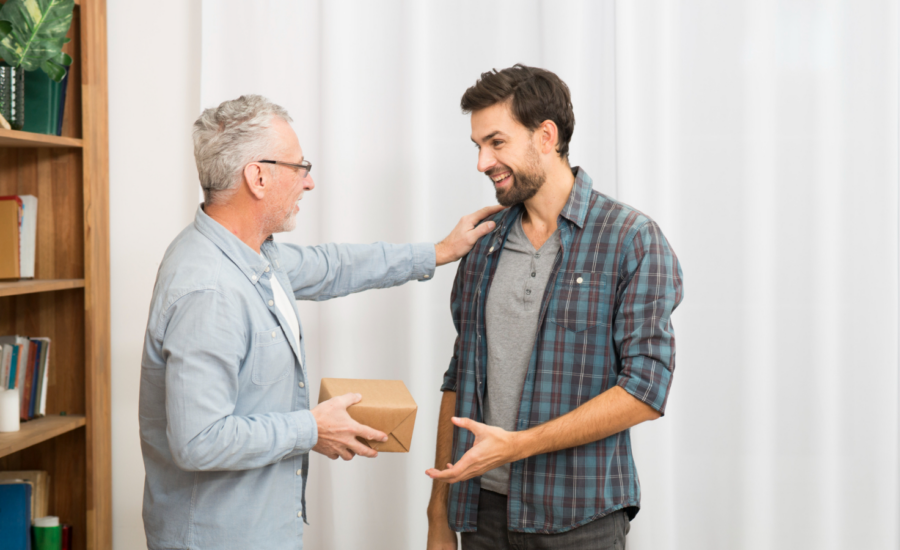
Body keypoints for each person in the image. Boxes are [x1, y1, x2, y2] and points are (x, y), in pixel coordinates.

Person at [139, 95, 501, 550]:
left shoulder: (249, 255)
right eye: (299, 167)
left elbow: (331, 266)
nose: (308, 183)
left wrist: (436, 252)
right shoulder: (211, 291)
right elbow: (199, 440)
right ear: (258, 176)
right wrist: (312, 427)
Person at [426, 65, 684, 549]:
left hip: (580, 519)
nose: (482, 162)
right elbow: (459, 377)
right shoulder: (482, 245)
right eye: (478, 146)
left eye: (496, 142)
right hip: (481, 515)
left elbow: (645, 391)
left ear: (546, 136)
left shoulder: (630, 239)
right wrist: (438, 513)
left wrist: (518, 445)